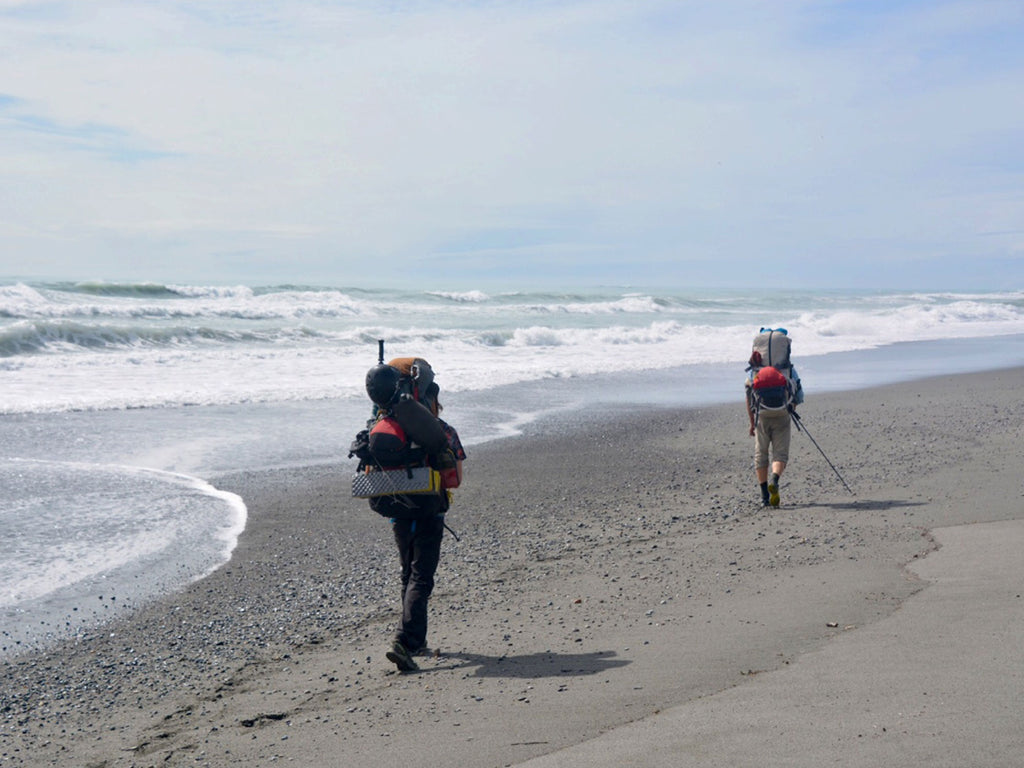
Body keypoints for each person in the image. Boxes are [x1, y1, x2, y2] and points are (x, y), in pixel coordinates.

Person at [357, 356, 466, 673]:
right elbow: (455, 479)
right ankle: (405, 642)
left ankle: (415, 641)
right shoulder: (440, 431)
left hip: (396, 509)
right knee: (421, 576)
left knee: (409, 572)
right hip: (429, 509)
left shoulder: (377, 427)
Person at [745, 367, 791, 507]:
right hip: (782, 413)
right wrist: (790, 410)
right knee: (780, 454)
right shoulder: (786, 369)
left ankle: (765, 497)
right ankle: (775, 480)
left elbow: (749, 397)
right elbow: (798, 394)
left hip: (762, 414)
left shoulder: (754, 373)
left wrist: (752, 423)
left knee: (761, 453)